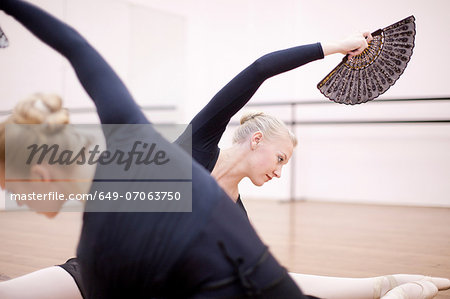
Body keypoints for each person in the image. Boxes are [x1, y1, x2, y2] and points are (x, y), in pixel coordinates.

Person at [0, 0, 448, 298]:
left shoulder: (235, 221)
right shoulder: (188, 144)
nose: (279, 171)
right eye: (280, 158)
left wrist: (384, 284)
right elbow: (256, 70)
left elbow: (270, 280)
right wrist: (332, 46)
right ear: (256, 139)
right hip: (88, 281)